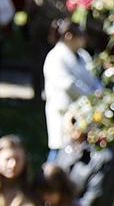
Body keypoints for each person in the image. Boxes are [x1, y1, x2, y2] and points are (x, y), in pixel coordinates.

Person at [41, 21, 102, 163]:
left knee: (81, 153)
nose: (84, 39)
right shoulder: (55, 57)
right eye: (80, 35)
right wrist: (92, 96)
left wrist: (100, 92)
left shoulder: (83, 55)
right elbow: (68, 85)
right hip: (63, 114)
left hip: (85, 114)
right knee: (60, 153)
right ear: (69, 36)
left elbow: (93, 78)